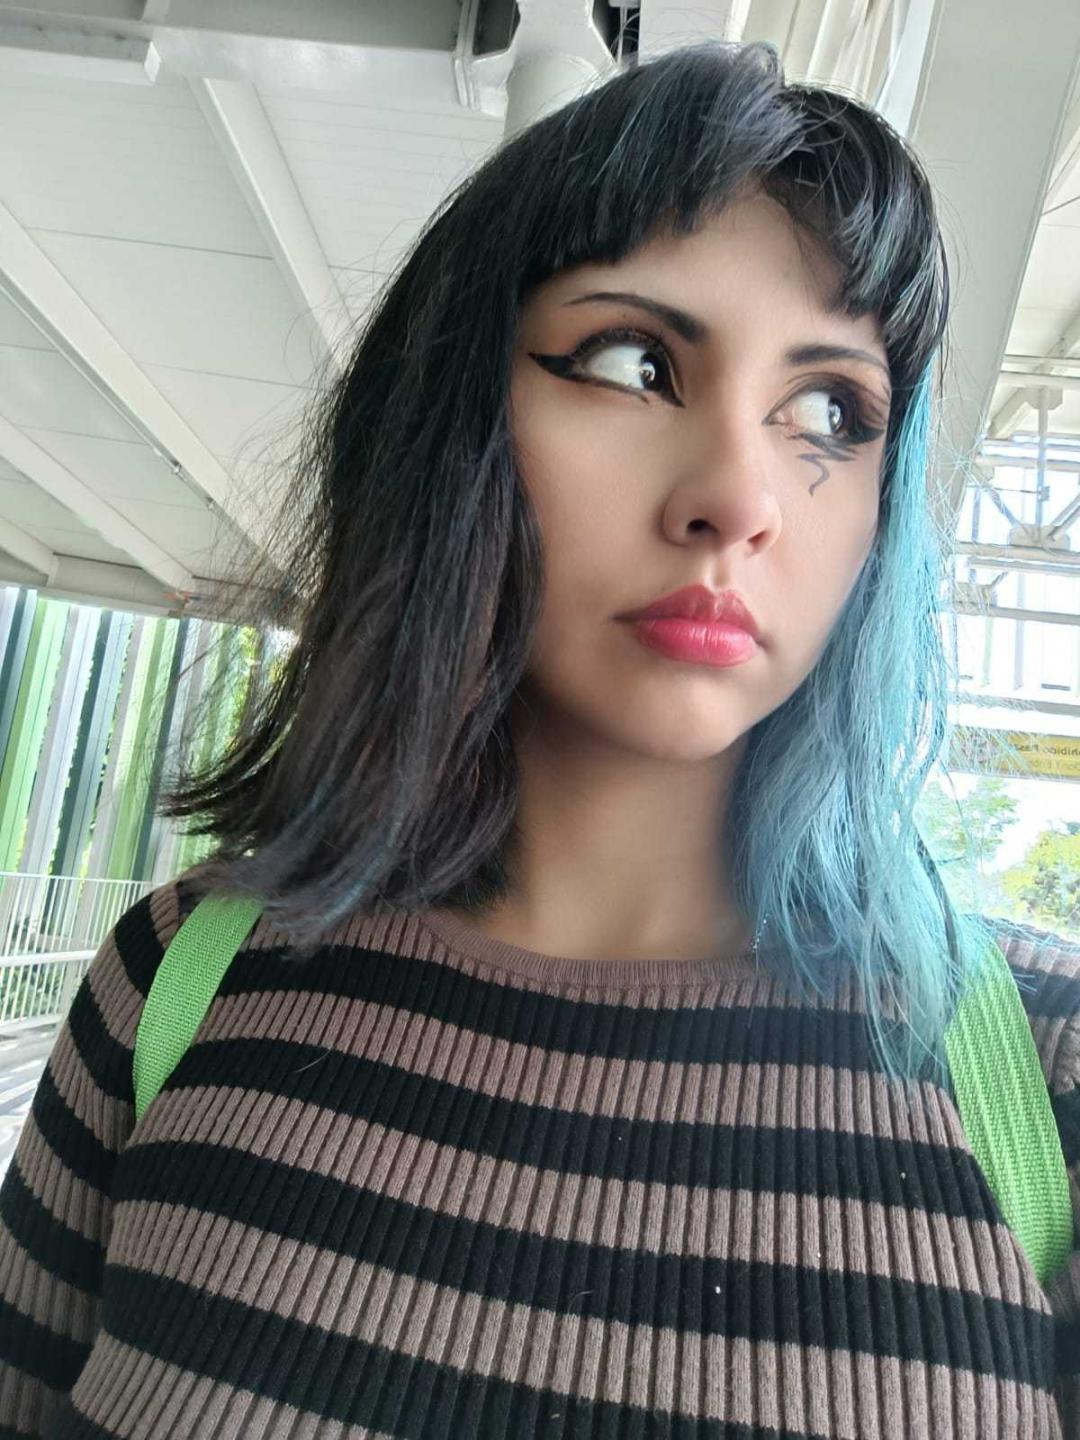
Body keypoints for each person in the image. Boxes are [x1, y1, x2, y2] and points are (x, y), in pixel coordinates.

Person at [1, 37, 1077, 1439]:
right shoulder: (175, 984)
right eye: (635, 362)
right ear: (445, 420)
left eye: (833, 411)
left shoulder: (1043, 1078)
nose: (740, 498)